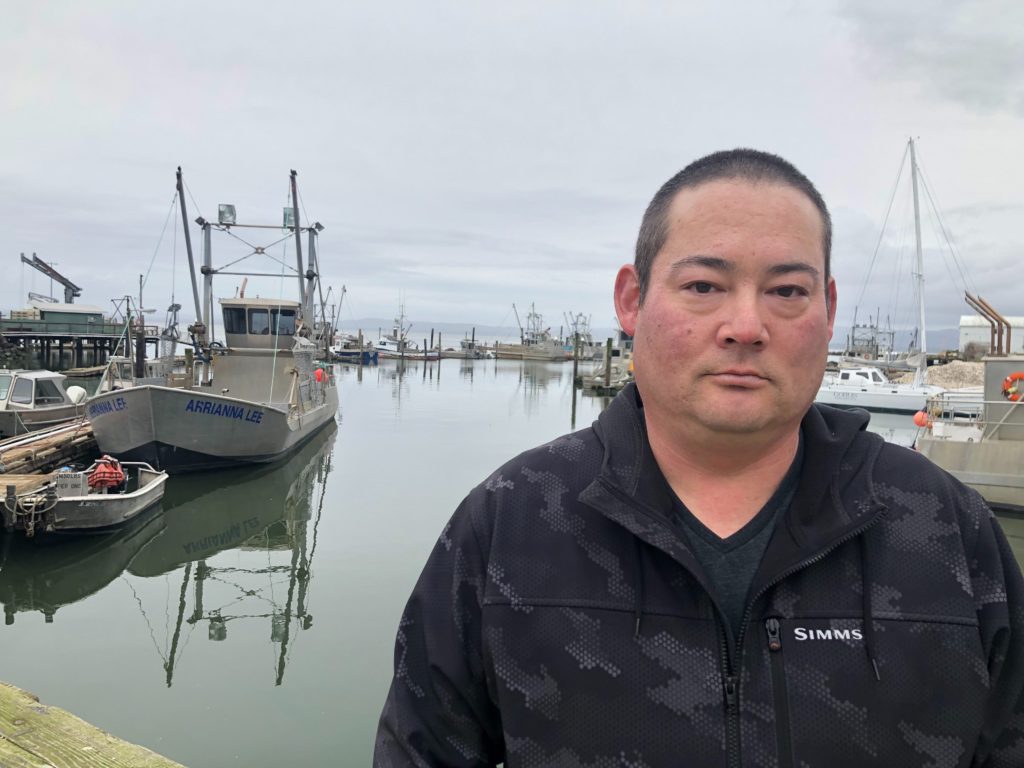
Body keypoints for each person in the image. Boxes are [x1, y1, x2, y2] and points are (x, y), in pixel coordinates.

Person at [374, 149, 1024, 767]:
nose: (745, 325)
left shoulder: (948, 533)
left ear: (828, 309)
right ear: (632, 299)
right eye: (705, 285)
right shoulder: (507, 527)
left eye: (787, 292)